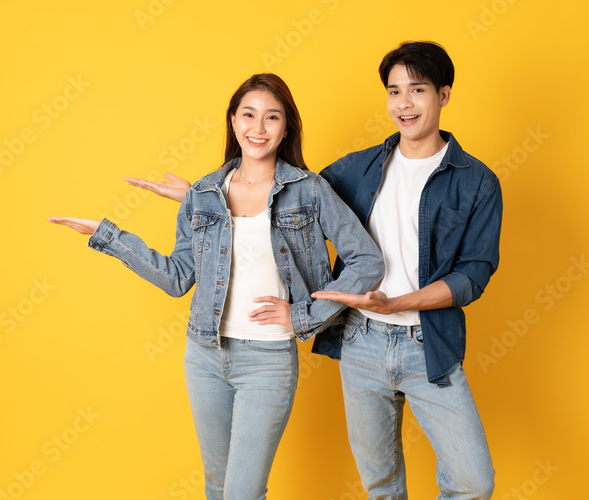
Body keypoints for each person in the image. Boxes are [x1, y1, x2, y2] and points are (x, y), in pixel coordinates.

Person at [130, 42, 502, 500]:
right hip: (360, 341)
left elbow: (475, 273)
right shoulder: (357, 169)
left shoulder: (477, 180)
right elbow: (279, 194)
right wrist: (202, 198)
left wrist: (396, 302)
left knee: (472, 481)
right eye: (393, 91)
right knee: (380, 484)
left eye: (417, 90)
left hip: (428, 343)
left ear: (443, 95)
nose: (404, 104)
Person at [49, 73, 383, 499]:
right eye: (248, 115)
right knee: (218, 487)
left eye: (271, 118)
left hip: (268, 361)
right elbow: (177, 278)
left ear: (286, 129)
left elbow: (367, 261)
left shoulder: (310, 191)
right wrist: (112, 237)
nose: (257, 128)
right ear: (232, 121)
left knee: (242, 493)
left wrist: (303, 315)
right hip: (204, 356)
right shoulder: (204, 194)